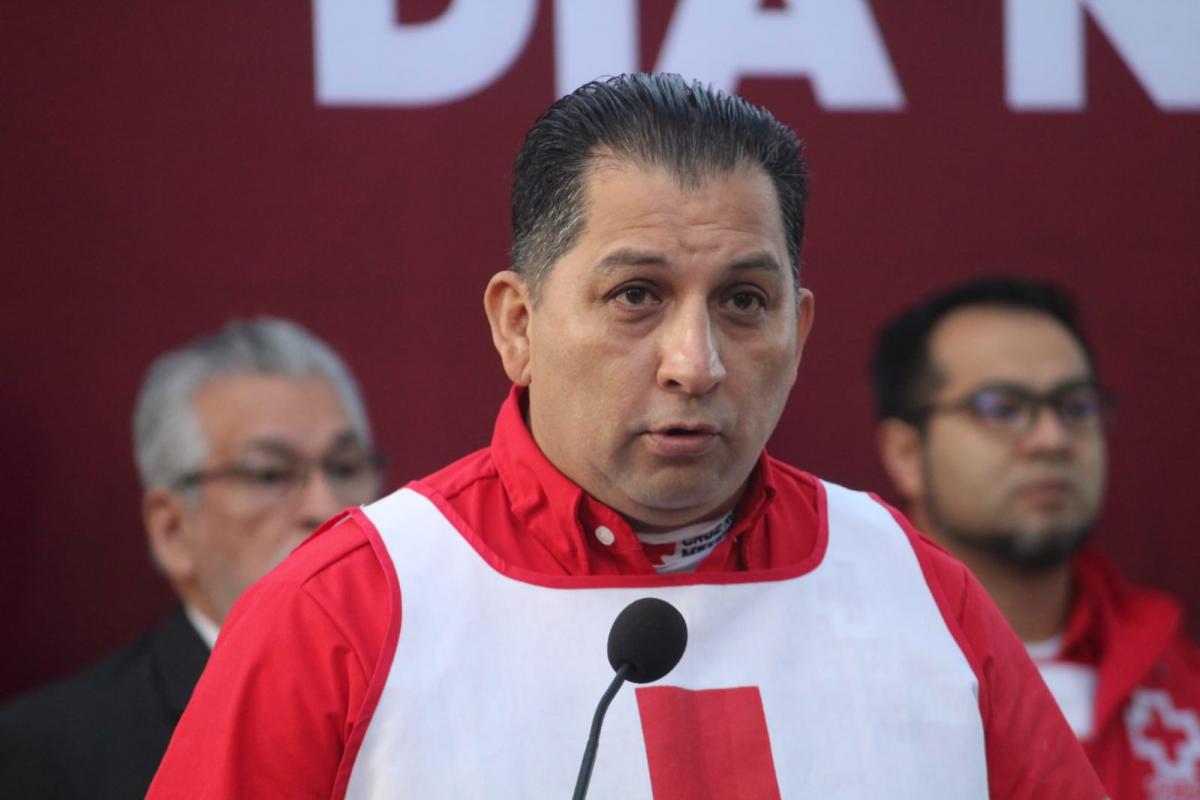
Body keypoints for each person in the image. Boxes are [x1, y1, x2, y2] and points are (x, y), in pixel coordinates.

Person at [149, 74, 1105, 798]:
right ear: (517, 326)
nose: (696, 362)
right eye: (636, 295)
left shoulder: (921, 592)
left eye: (743, 301)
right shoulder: (344, 611)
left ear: (800, 330)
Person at [0, 318, 384, 799]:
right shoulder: (48, 755)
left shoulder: (432, 697)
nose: (328, 509)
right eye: (269, 475)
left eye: (345, 467)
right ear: (172, 529)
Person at [873, 276, 1200, 800]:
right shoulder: (849, 669)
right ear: (906, 454)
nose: (1052, 439)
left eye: (1076, 406)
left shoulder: (1174, 673)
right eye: (1002, 408)